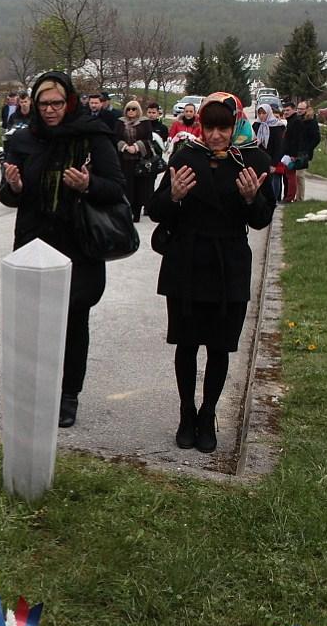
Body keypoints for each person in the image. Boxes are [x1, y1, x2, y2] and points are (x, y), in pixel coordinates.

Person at [0, 71, 125, 428]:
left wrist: (87, 184)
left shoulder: (92, 136)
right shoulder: (25, 139)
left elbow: (116, 188)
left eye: (57, 103)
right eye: (43, 104)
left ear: (69, 102)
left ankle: (69, 395)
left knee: (73, 321)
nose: (51, 110)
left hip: (77, 246)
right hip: (34, 243)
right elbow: (9, 196)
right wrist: (15, 186)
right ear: (34, 105)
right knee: (33, 324)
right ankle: (37, 391)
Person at [147, 92, 274, 453]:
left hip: (228, 263)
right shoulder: (185, 155)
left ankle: (208, 414)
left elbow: (262, 219)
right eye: (210, 127)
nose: (216, 135)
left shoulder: (253, 160)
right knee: (185, 344)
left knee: (219, 347)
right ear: (200, 125)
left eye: (224, 127)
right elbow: (156, 210)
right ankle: (186, 412)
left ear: (235, 126)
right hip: (187, 261)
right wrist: (172, 194)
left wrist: (252, 198)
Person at [115, 100, 158, 223]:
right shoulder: (120, 122)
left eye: (134, 109)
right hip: (124, 160)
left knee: (140, 188)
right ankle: (126, 211)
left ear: (138, 110)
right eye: (129, 109)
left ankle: (137, 213)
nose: (131, 111)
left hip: (140, 161)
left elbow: (148, 139)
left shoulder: (145, 123)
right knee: (126, 186)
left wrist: (136, 147)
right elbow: (115, 137)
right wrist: (124, 146)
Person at [284, 100, 321, 202]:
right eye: (298, 109)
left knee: (300, 175)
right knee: (296, 175)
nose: (299, 111)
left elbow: (316, 138)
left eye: (301, 109)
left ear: (307, 109)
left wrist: (308, 149)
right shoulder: (298, 119)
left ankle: (300, 198)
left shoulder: (311, 121)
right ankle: (297, 197)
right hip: (297, 151)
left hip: (304, 152)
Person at [253, 103, 287, 201]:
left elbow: (279, 147)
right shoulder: (256, 125)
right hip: (258, 159)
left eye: (263, 113)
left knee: (272, 182)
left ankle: (273, 201)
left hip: (271, 159)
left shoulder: (277, 126)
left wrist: (274, 164)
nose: (261, 116)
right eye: (259, 113)